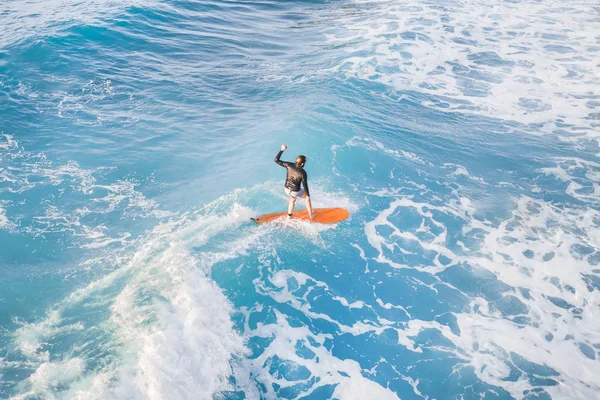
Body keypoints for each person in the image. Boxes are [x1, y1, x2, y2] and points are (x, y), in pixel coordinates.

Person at [274, 144, 315, 220]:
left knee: (292, 199)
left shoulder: (289, 165)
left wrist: (282, 150)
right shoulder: (303, 172)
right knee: (306, 197)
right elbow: (305, 186)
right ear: (302, 163)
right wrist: (308, 196)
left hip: (286, 189)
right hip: (294, 191)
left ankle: (289, 216)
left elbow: (276, 160)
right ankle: (311, 215)